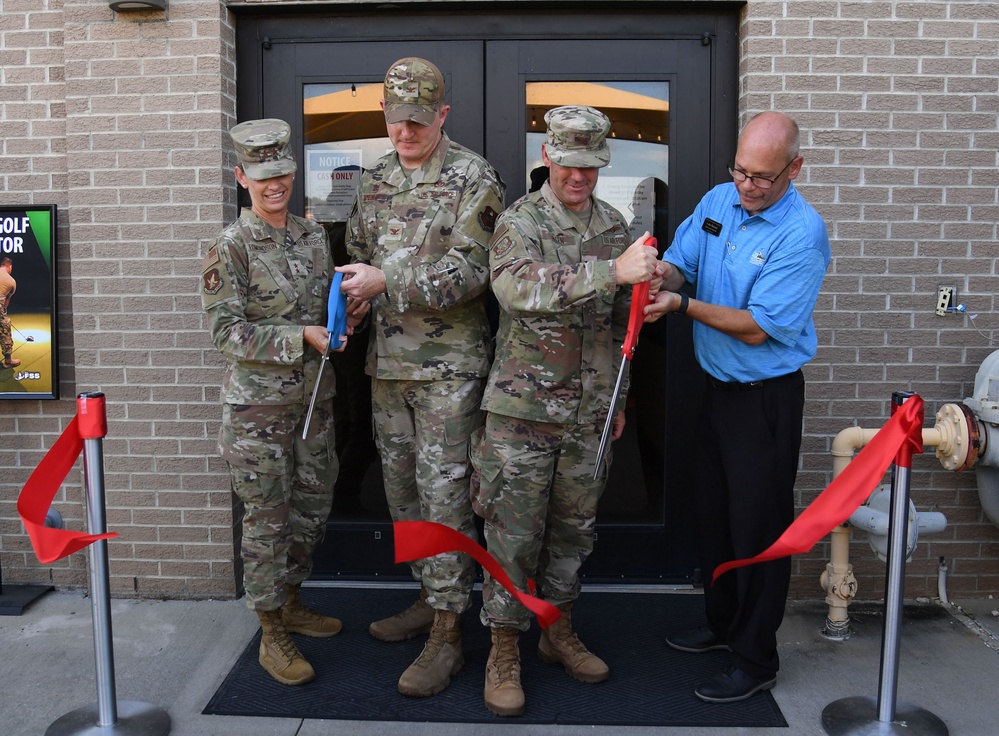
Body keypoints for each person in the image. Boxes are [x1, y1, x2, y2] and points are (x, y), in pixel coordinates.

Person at [470, 105, 660, 717]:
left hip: (588, 412)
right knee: (513, 536)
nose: (580, 176)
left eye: (592, 165)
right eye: (570, 163)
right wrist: (612, 271)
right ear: (548, 156)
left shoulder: (612, 223)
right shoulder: (520, 221)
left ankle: (557, 630)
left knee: (574, 535)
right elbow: (516, 289)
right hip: (523, 411)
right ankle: (504, 649)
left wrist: (619, 398)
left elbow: (617, 326)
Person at [644, 111, 831, 704]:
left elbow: (758, 329)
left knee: (758, 531)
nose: (747, 186)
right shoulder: (719, 200)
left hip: (765, 402)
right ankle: (723, 626)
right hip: (715, 391)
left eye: (763, 178)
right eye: (741, 171)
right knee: (714, 518)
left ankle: (756, 659)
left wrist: (677, 305)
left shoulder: (802, 233)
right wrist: (657, 275)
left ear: (794, 169)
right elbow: (684, 260)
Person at [338, 57, 506, 698]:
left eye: (417, 120)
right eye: (394, 119)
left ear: (442, 115)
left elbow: (476, 270)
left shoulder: (472, 177)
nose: (404, 132)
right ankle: (428, 599)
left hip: (448, 373)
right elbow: (356, 250)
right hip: (387, 368)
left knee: (447, 500)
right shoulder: (375, 178)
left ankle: (448, 634)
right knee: (403, 494)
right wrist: (354, 293)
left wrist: (388, 280)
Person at [201, 118, 360, 687]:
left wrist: (345, 319)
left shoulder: (313, 236)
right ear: (241, 176)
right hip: (258, 414)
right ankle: (270, 631)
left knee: (311, 513)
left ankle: (291, 601)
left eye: (283, 174)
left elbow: (323, 308)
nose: (275, 185)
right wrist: (303, 337)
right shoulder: (230, 246)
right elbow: (227, 334)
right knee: (268, 522)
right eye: (262, 176)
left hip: (313, 403)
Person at [0, 257, 19, 369]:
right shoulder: (11, 281)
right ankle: (8, 361)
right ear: (10, 266)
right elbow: (6, 302)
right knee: (5, 329)